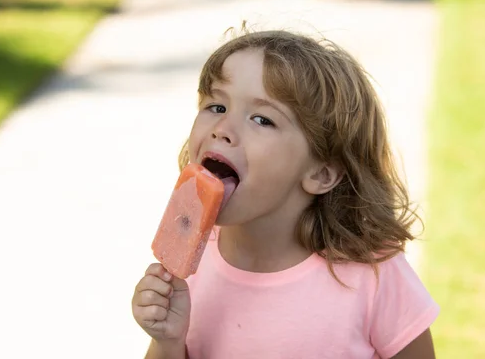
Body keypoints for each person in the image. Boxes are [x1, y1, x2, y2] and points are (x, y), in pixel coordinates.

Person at [131, 26, 439, 359]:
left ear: (321, 173)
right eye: (216, 107)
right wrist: (167, 340)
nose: (222, 130)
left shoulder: (373, 276)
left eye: (262, 119)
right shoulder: (191, 265)